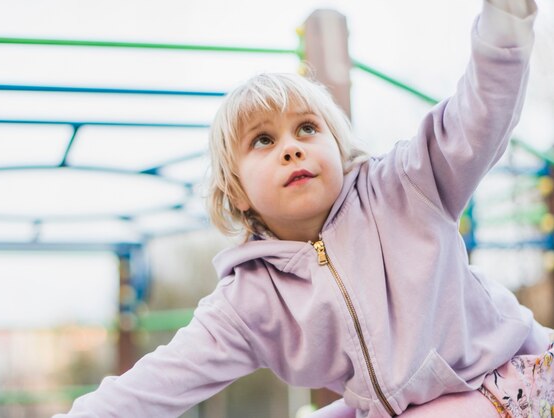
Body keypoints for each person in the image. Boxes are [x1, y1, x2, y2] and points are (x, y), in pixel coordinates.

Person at [53, 0, 553, 416]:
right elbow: (161, 379)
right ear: (238, 194)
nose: (291, 148)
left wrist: (505, 23)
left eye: (307, 130)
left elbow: (478, 116)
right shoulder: (251, 299)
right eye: (264, 141)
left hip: (520, 372)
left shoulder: (406, 188)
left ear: (338, 148)